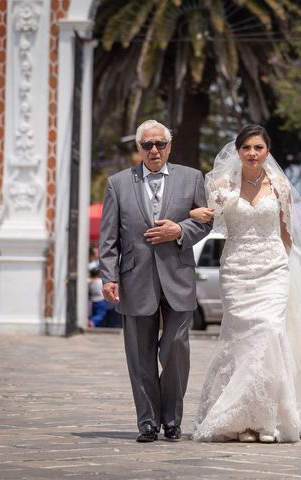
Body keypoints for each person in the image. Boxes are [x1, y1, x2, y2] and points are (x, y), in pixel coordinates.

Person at [190, 124, 301, 443]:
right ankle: (241, 421)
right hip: (237, 269)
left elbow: (286, 232)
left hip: (273, 268)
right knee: (241, 340)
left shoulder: (280, 185)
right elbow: (208, 219)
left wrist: (290, 270)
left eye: (258, 148)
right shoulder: (221, 185)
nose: (252, 153)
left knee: (269, 330)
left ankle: (267, 419)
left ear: (267, 152)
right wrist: (196, 212)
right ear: (237, 152)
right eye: (246, 148)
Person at [98, 119, 213, 443]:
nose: (154, 150)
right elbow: (108, 238)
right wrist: (109, 276)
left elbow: (205, 221)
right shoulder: (118, 183)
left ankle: (172, 420)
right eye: (147, 144)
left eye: (159, 144)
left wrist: (180, 231)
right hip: (134, 278)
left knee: (176, 348)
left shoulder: (192, 178)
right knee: (140, 354)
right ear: (139, 148)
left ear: (169, 146)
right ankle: (148, 421)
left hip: (177, 275)